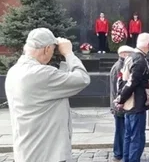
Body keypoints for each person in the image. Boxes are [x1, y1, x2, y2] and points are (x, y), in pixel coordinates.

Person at [5, 28, 91, 162]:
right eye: (52, 50)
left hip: (26, 153)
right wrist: (68, 53)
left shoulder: (13, 72)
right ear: (46, 49)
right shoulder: (41, 74)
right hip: (48, 154)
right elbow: (82, 79)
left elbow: (55, 85)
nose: (52, 55)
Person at [116, 33, 149, 162]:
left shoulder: (130, 57)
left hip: (130, 104)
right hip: (136, 105)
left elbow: (121, 80)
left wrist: (120, 97)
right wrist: (120, 99)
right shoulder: (140, 60)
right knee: (136, 139)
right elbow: (132, 82)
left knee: (128, 136)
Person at [110, 45, 134, 162]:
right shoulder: (119, 67)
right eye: (130, 53)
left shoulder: (122, 65)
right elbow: (117, 88)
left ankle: (120, 153)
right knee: (120, 130)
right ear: (123, 54)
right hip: (119, 105)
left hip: (119, 104)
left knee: (122, 130)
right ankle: (118, 153)